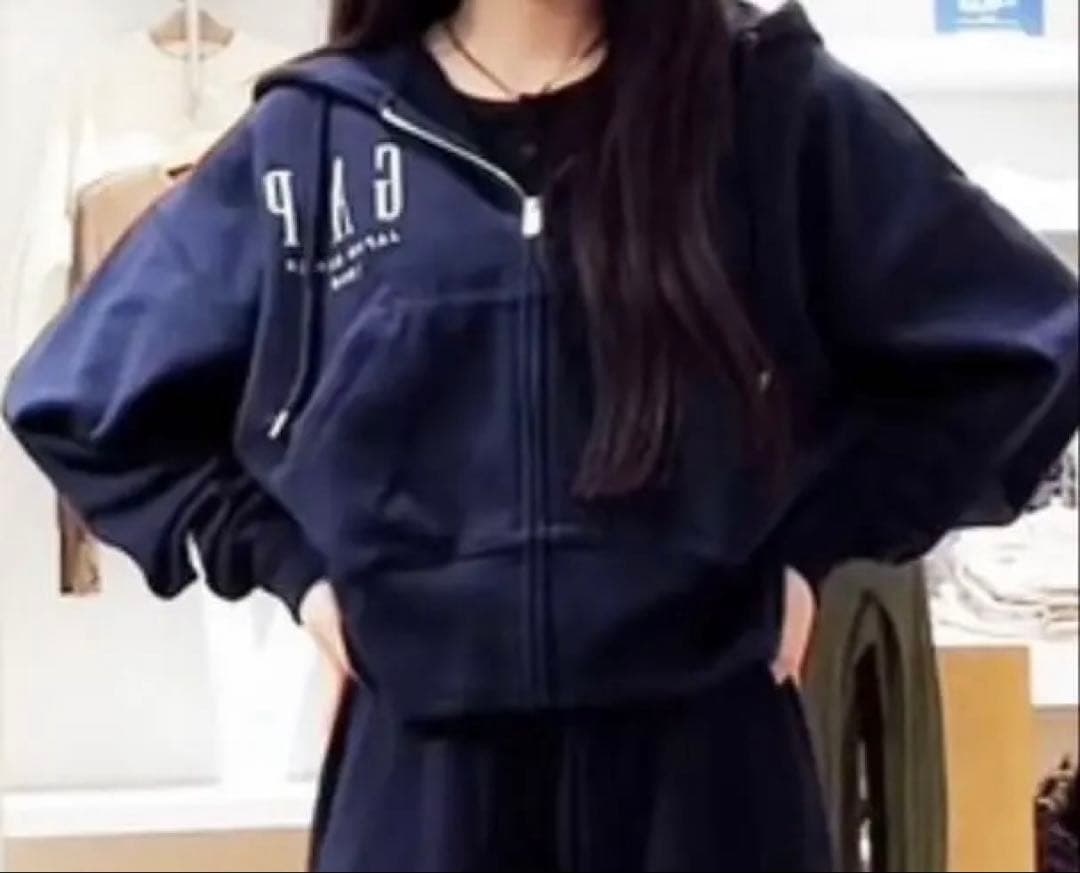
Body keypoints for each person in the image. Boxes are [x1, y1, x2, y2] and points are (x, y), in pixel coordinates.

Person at [5, 0, 1077, 869]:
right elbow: (80, 401)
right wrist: (291, 567)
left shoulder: (766, 105)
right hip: (423, 785)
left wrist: (815, 540)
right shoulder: (319, 137)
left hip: (705, 780)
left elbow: (1028, 346)